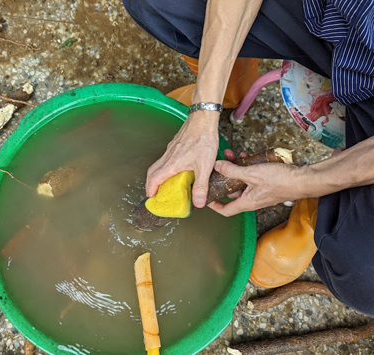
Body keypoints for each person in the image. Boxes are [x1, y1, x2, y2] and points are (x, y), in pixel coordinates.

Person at [122, 0, 374, 317]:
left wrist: (303, 182)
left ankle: (315, 214)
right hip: (334, 17)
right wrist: (204, 110)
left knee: (365, 276)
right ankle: (230, 87)